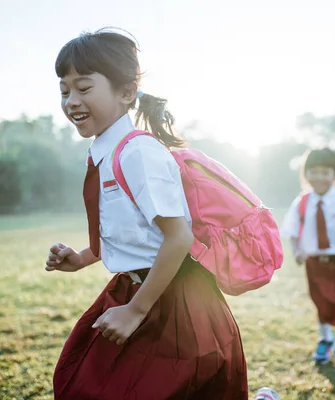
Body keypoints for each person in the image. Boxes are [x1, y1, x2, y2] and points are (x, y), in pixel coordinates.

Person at [44, 28, 248, 399]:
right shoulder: (104, 154)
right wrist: (80, 258)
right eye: (64, 90)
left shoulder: (137, 153)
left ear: (126, 92)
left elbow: (178, 236)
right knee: (80, 381)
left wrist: (135, 311)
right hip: (137, 290)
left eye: (84, 88)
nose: (71, 101)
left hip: (175, 302)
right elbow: (136, 236)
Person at [281, 147, 335, 373]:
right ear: (306, 174)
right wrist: (297, 250)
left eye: (325, 172)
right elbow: (291, 231)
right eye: (314, 171)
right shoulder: (301, 203)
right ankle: (326, 340)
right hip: (315, 263)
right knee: (322, 303)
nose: (319, 177)